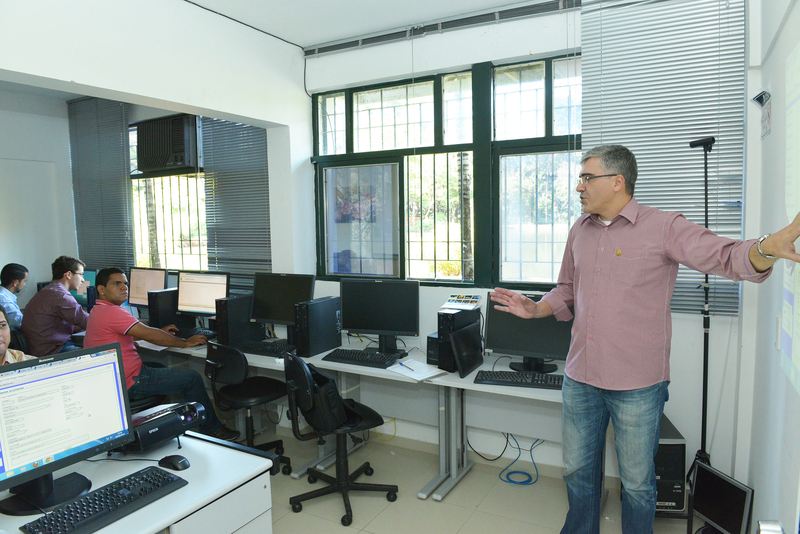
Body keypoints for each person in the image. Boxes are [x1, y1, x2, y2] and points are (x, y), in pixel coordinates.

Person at [490, 145, 800, 533]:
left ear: (617, 182)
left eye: (587, 178)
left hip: (636, 385)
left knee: (637, 484)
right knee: (578, 473)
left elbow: (723, 255)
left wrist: (765, 248)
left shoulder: (663, 227)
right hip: (580, 378)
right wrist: (537, 308)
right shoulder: (580, 230)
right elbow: (567, 287)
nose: (578, 186)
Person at [84, 267, 239, 441]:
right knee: (192, 378)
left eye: (125, 283)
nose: (124, 287)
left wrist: (157, 331)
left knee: (159, 366)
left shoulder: (98, 310)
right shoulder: (113, 312)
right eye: (116, 283)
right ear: (101, 289)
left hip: (113, 380)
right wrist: (184, 342)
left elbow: (134, 332)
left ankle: (159, 424)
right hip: (130, 381)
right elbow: (150, 336)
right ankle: (212, 430)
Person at [21, 256, 89, 356]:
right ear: (69, 274)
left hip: (39, 348)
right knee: (97, 353)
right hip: (53, 351)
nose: (83, 280)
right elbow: (88, 321)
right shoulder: (61, 295)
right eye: (81, 274)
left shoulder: (49, 290)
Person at [0, 263, 29, 329]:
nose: (25, 284)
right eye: (24, 281)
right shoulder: (5, 301)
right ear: (15, 283)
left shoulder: (4, 295)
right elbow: (22, 322)